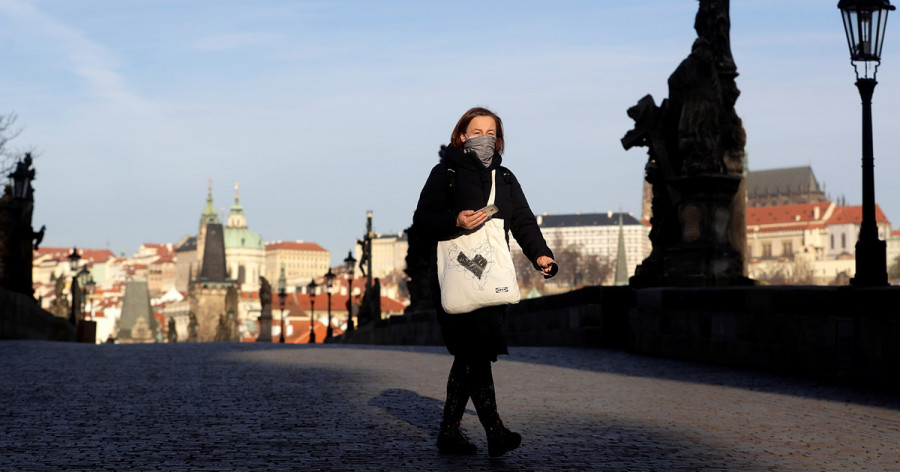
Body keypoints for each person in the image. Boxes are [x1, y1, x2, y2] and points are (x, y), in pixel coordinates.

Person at [413, 107, 556, 457]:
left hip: (492, 277)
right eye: (477, 132)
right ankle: (494, 431)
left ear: (499, 139)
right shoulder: (445, 173)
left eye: (491, 133)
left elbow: (523, 221)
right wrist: (456, 221)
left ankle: (451, 433)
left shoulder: (504, 178)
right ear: (462, 136)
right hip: (455, 275)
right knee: (473, 351)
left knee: (472, 354)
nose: (484, 138)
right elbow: (423, 220)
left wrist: (541, 254)